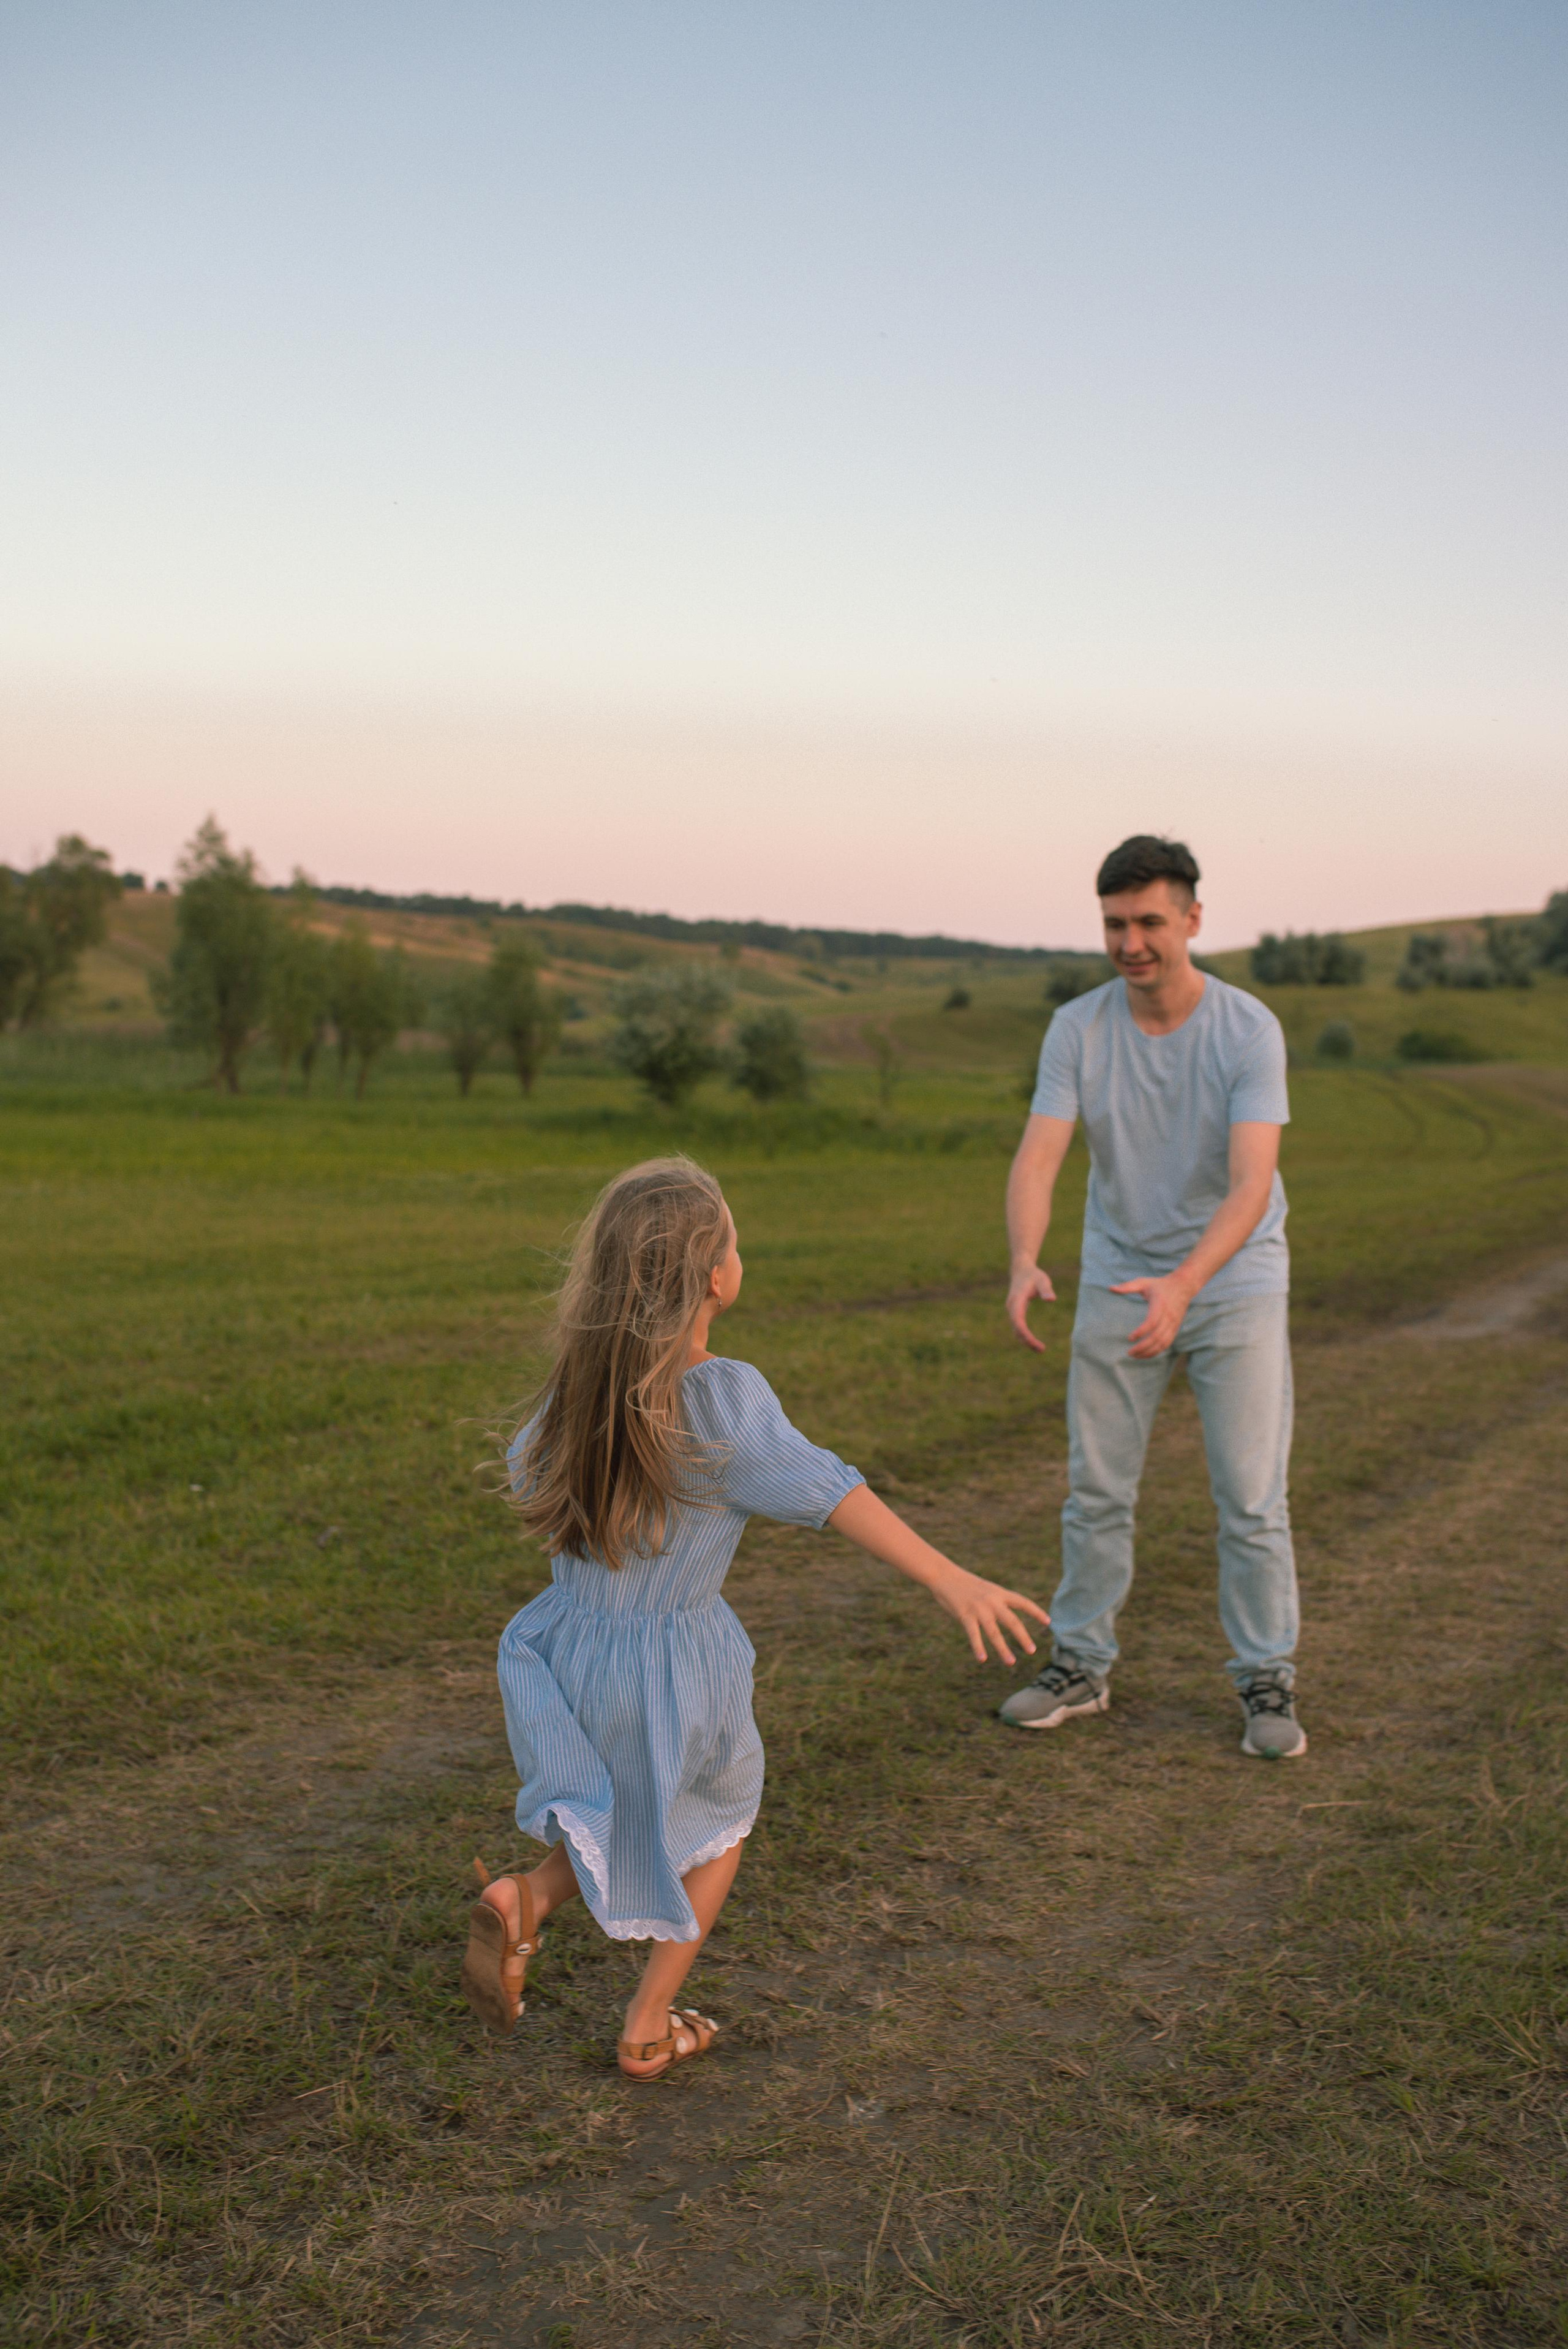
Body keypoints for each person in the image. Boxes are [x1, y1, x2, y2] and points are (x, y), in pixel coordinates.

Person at [462, 1155, 1050, 2078]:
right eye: (735, 1236)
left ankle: (529, 1897)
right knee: (719, 1821)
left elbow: (534, 1468)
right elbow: (830, 1489)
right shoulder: (718, 1403)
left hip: (564, 1646)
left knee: (626, 1801)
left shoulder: (572, 1395)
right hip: (672, 1662)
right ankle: (648, 2022)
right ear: (715, 1278)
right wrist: (950, 1578)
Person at [1000, 834, 1306, 1759]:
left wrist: (1186, 1282)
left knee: (1250, 1497)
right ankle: (1081, 1662)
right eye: (1114, 924)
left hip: (1235, 1280)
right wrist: (1024, 1256)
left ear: (1193, 921)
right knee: (1097, 1489)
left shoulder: (1247, 1029)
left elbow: (1252, 1183)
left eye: (1149, 922)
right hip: (1119, 1276)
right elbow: (1043, 1151)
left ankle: (1266, 1677)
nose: (1131, 942)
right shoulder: (1079, 1028)